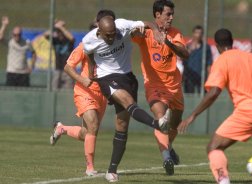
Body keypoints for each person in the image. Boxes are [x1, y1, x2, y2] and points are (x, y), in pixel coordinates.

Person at [178, 28, 252, 184]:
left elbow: (214, 92)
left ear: (218, 46)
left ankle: (224, 181)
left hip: (248, 111)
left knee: (214, 147)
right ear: (232, 42)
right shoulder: (251, 57)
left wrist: (193, 115)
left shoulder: (222, 60)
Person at [82, 15, 171, 182]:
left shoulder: (122, 26)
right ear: (99, 31)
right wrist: (91, 71)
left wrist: (156, 31)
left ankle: (112, 170)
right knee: (129, 102)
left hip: (128, 77)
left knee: (122, 125)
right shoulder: (88, 40)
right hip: (106, 77)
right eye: (107, 35)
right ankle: (157, 124)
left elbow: (146, 23)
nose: (111, 38)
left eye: (113, 34)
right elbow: (88, 54)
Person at [49, 11, 116, 176]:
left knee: (87, 133)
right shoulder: (84, 45)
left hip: (102, 94)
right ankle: (90, 168)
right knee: (92, 125)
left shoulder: (115, 47)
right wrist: (82, 79)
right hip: (84, 90)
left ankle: (62, 129)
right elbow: (67, 67)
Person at [132, 0, 188, 176]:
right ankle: (166, 157)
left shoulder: (175, 33)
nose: (171, 17)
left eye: (172, 14)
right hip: (154, 85)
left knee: (175, 122)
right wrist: (152, 28)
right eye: (167, 14)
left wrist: (169, 43)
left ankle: (168, 146)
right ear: (157, 15)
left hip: (174, 86)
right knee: (161, 118)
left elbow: (185, 54)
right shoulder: (147, 33)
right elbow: (134, 29)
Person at [0, 16, 37, 87]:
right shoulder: (10, 42)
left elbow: (34, 53)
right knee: (10, 94)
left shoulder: (27, 43)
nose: (17, 37)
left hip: (23, 73)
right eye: (15, 35)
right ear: (12, 35)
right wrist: (4, 25)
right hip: (12, 72)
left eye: (19, 35)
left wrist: (32, 67)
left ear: (21, 34)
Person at [44, 20, 75, 90]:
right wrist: (54, 27)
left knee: (68, 90)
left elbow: (72, 38)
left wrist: (61, 27)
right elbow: (45, 35)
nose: (60, 34)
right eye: (58, 32)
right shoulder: (55, 40)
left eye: (61, 32)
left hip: (68, 70)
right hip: (57, 68)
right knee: (54, 89)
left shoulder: (68, 40)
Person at [183, 25, 212, 94]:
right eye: (196, 33)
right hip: (189, 76)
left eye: (200, 33)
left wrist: (209, 77)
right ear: (193, 34)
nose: (198, 35)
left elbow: (209, 63)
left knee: (203, 96)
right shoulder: (188, 46)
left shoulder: (206, 48)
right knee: (189, 96)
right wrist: (189, 51)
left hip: (201, 76)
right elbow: (182, 61)